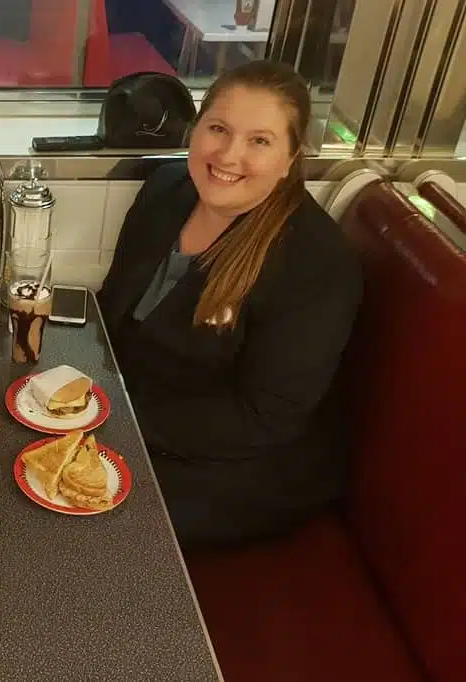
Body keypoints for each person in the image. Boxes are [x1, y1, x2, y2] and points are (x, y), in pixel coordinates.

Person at [97, 60, 362, 549]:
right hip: (148, 415)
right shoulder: (165, 191)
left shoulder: (315, 261)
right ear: (196, 128)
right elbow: (115, 309)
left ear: (290, 157)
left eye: (260, 140)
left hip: (244, 467)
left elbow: (263, 418)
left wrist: (117, 424)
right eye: (218, 128)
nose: (228, 154)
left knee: (80, 506)